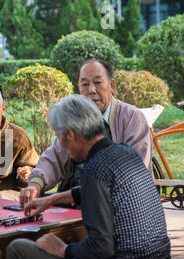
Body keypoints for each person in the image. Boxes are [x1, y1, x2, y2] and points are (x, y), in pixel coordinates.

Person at [6, 94, 175, 259]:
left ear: (71, 135)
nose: (62, 146)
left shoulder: (95, 169)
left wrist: (63, 250)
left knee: (18, 251)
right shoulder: (123, 153)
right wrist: (52, 199)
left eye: (59, 138)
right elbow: (99, 189)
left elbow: (100, 248)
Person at [20, 59, 153, 206]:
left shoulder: (132, 118)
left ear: (112, 85)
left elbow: (130, 177)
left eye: (98, 83)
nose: (91, 90)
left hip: (116, 202)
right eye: (85, 84)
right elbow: (54, 157)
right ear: (79, 88)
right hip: (74, 198)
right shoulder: (74, 118)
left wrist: (65, 197)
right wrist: (35, 184)